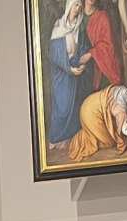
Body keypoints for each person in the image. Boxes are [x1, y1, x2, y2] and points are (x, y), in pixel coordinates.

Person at [69, 84, 127, 162]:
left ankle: (89, 133)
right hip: (90, 114)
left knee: (112, 131)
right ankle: (78, 141)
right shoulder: (120, 109)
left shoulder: (121, 89)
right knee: (109, 142)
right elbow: (125, 130)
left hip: (88, 102)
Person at [47, 0, 91, 149]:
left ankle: (68, 138)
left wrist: (82, 64)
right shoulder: (59, 26)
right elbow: (54, 54)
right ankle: (55, 138)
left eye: (79, 6)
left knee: (74, 106)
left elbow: (83, 48)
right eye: (75, 5)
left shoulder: (79, 28)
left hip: (75, 71)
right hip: (62, 73)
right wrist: (68, 69)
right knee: (62, 106)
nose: (77, 8)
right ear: (69, 6)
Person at [85, 0, 123, 88]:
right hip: (79, 69)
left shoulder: (102, 17)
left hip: (98, 68)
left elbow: (108, 46)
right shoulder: (75, 15)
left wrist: (91, 54)